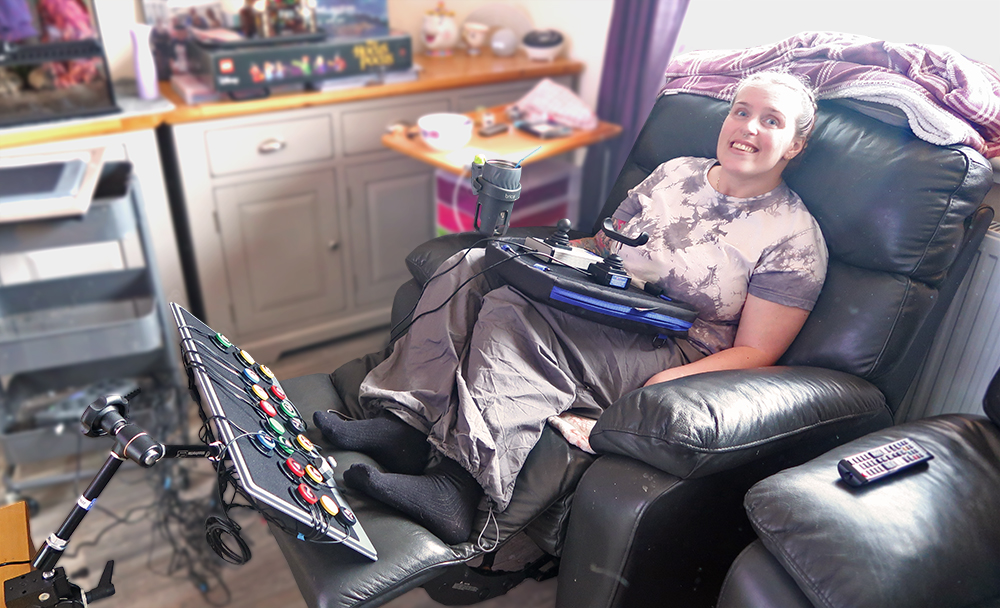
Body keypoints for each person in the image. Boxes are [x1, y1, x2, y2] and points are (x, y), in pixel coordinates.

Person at [313, 71, 829, 545]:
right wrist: (539, 259)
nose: (748, 127)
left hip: (672, 347)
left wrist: (661, 388)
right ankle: (403, 424)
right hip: (607, 301)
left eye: (771, 120)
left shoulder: (792, 236)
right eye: (741, 111)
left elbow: (756, 350)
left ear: (796, 145)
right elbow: (605, 246)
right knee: (474, 265)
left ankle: (460, 488)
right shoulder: (675, 173)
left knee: (514, 312)